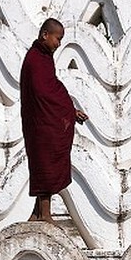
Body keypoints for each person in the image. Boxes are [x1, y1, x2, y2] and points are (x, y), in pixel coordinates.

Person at [20, 17, 88, 222]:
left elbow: (51, 87)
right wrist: (66, 108)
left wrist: (70, 110)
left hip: (44, 121)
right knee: (45, 164)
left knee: (45, 163)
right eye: (57, 39)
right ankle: (45, 214)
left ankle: (37, 213)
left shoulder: (43, 57)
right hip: (40, 123)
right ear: (45, 35)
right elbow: (43, 92)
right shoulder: (34, 59)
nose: (59, 44)